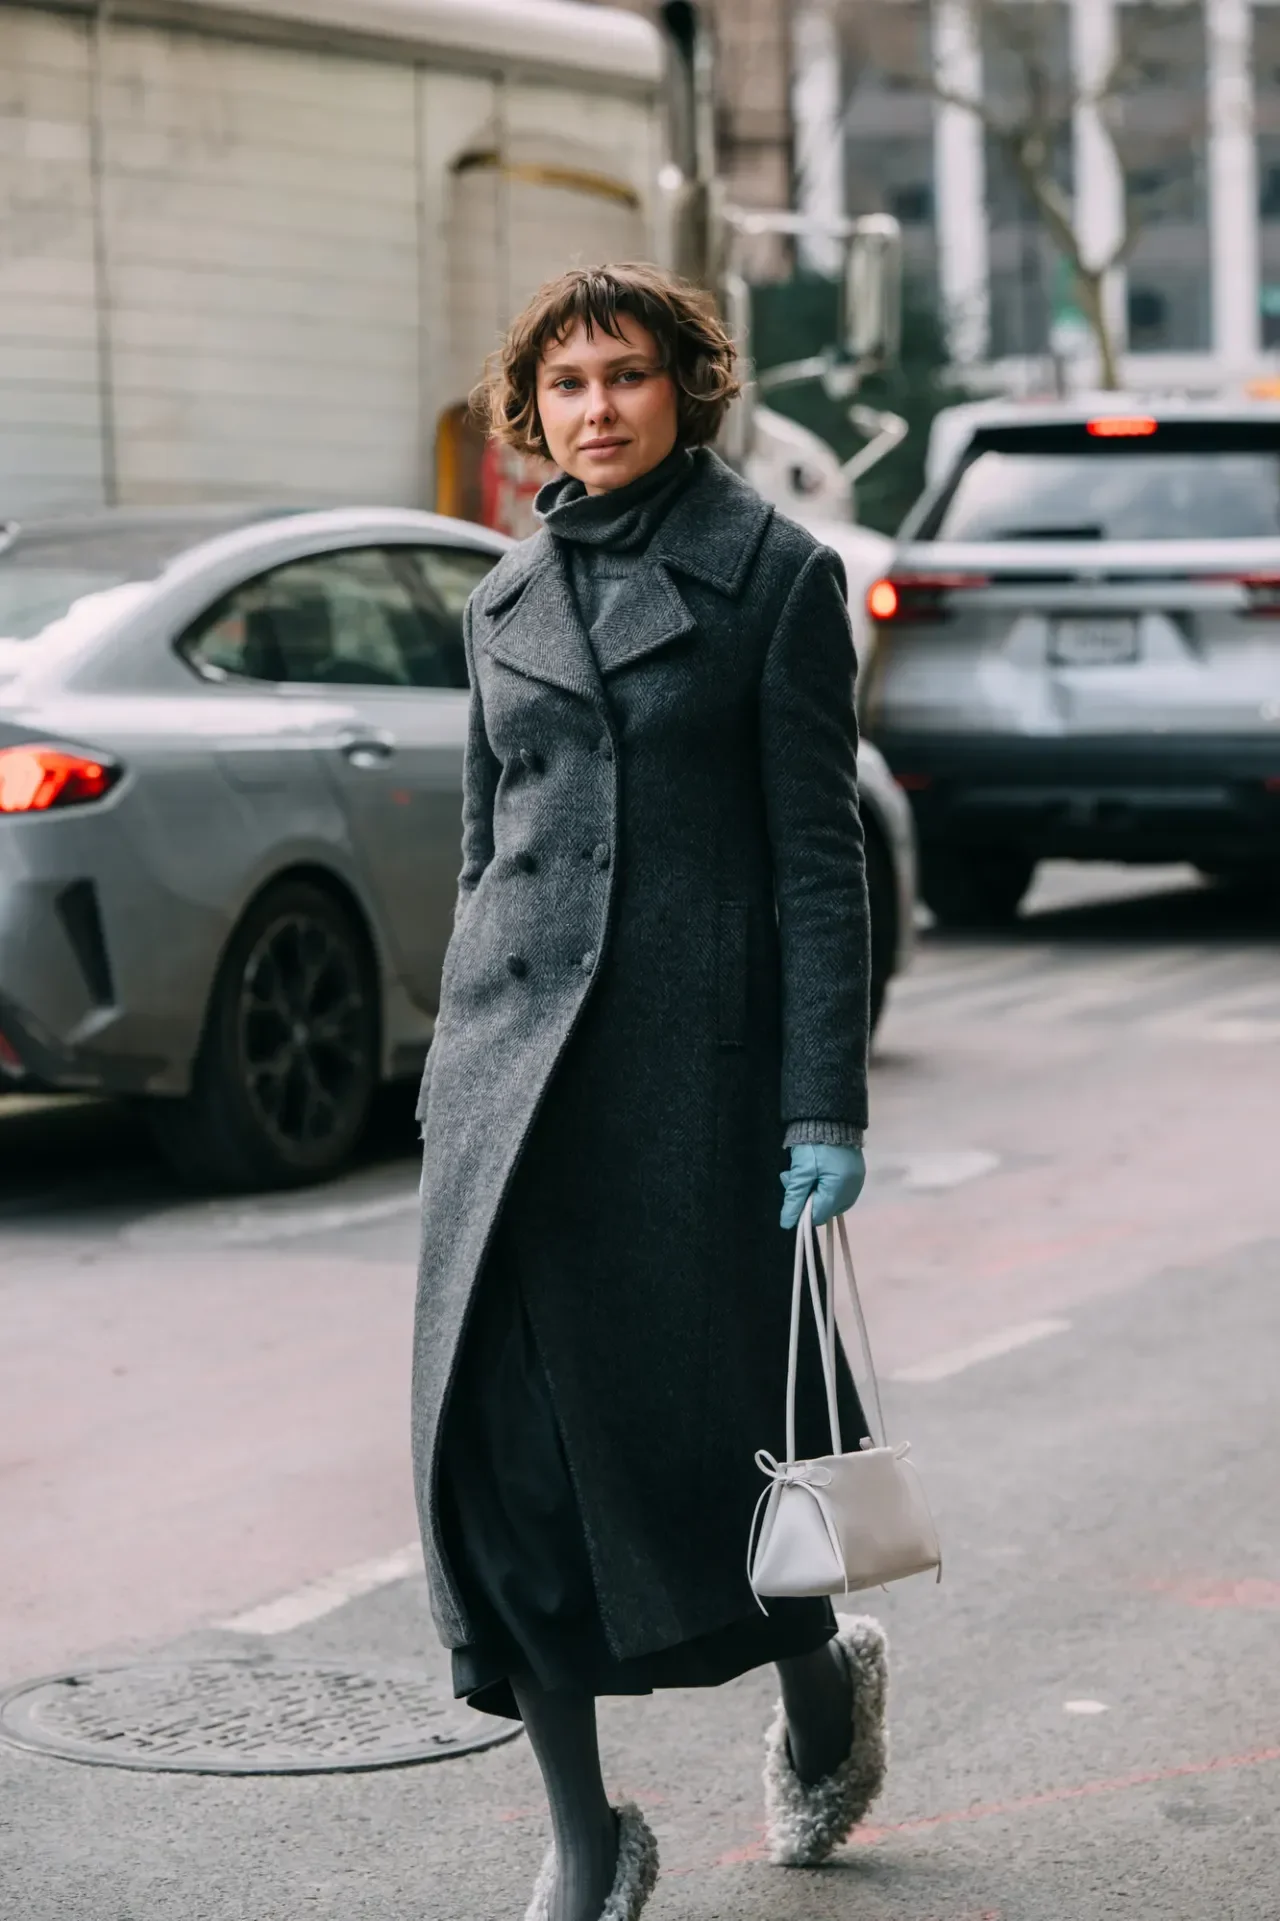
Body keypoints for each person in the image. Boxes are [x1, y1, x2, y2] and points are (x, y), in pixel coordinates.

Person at [412, 262, 885, 1921]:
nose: (594, 409)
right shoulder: (502, 597)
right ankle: (584, 1835)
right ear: (527, 410)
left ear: (690, 386)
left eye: (625, 376)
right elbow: (488, 851)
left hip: (693, 1102)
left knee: (708, 1461)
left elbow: (821, 864)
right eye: (565, 386)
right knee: (503, 1465)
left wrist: (822, 1105)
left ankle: (824, 1677)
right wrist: (445, 1082)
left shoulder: (777, 579)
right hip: (510, 1102)